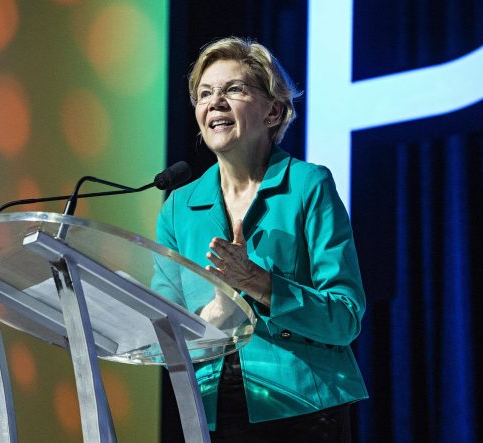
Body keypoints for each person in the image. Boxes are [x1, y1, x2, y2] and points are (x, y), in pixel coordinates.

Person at [154, 36, 368, 441]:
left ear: (273, 111)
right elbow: (164, 327)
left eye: (233, 89)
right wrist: (210, 318)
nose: (214, 102)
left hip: (303, 404)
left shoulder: (307, 185)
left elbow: (345, 317)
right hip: (209, 410)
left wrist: (260, 284)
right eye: (204, 93)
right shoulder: (178, 207)